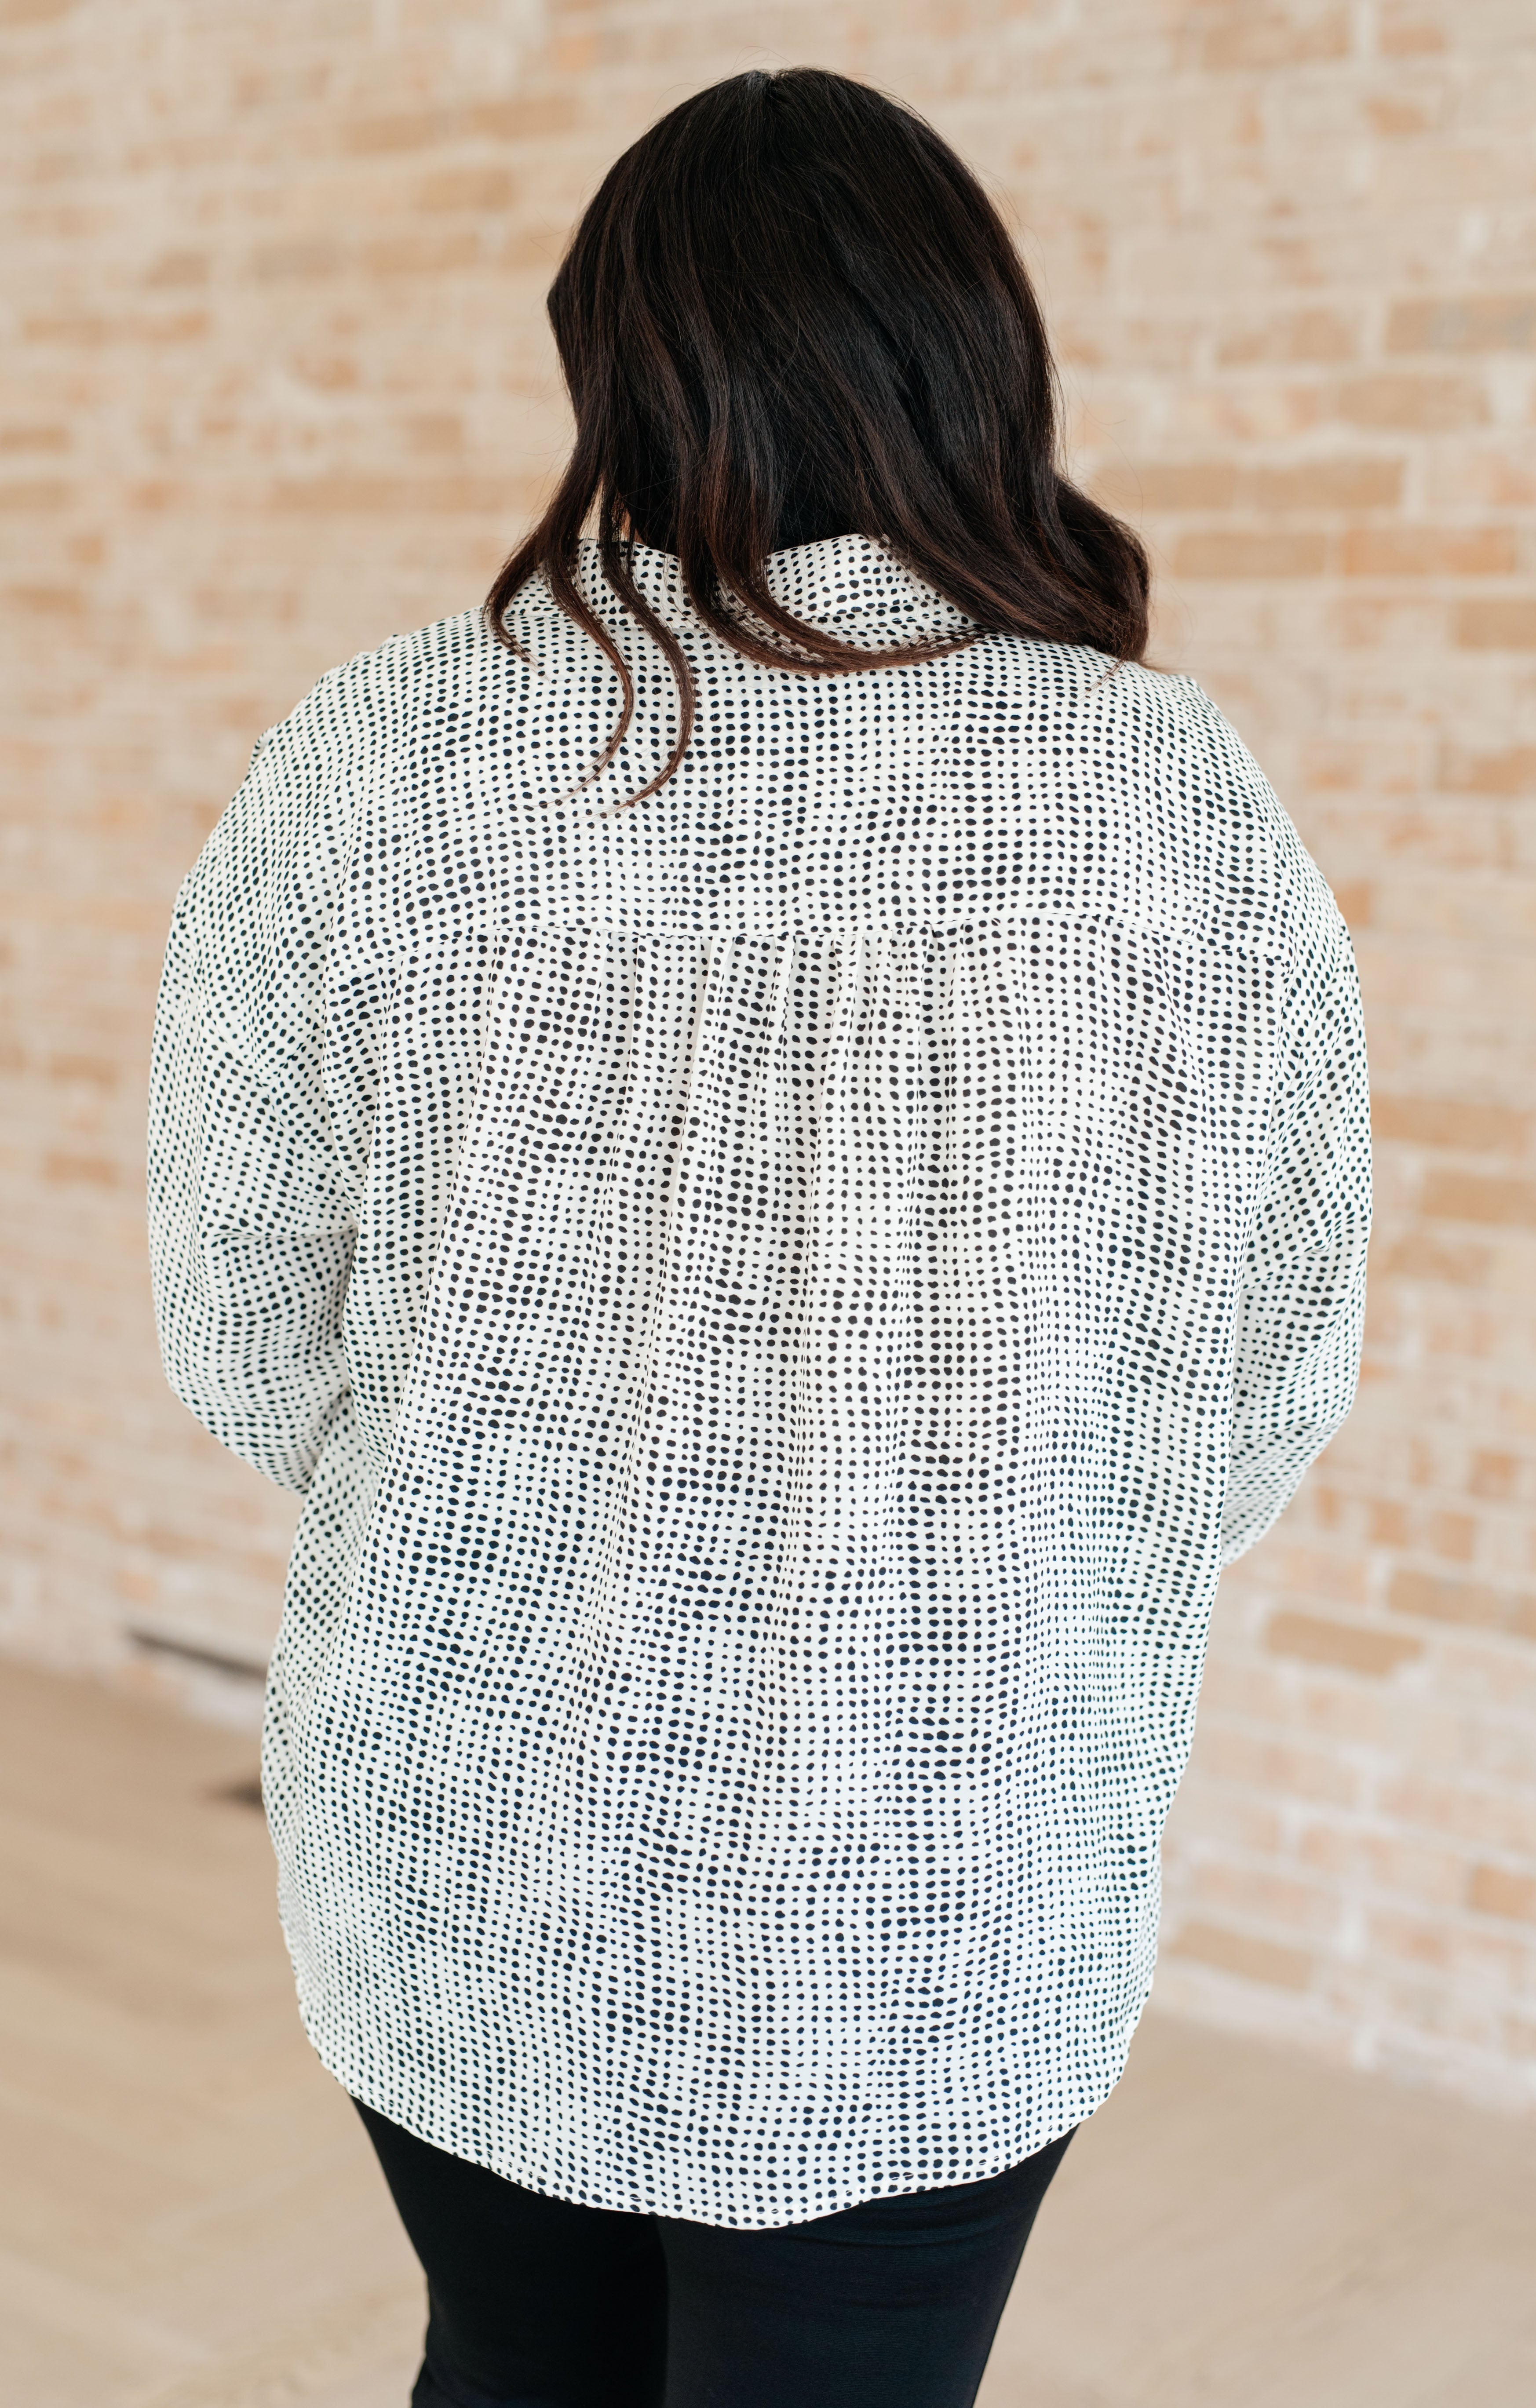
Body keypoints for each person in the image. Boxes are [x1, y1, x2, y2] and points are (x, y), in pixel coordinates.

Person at [147, 65, 1370, 2408]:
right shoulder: (1159, 801)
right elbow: (1254, 1373)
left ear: (613, 358)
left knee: (508, 2372)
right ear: (974, 357)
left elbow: (242, 1318)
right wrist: (963, 1577)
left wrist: (520, 1511)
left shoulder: (379, 758)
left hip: (471, 1826)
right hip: (944, 1875)